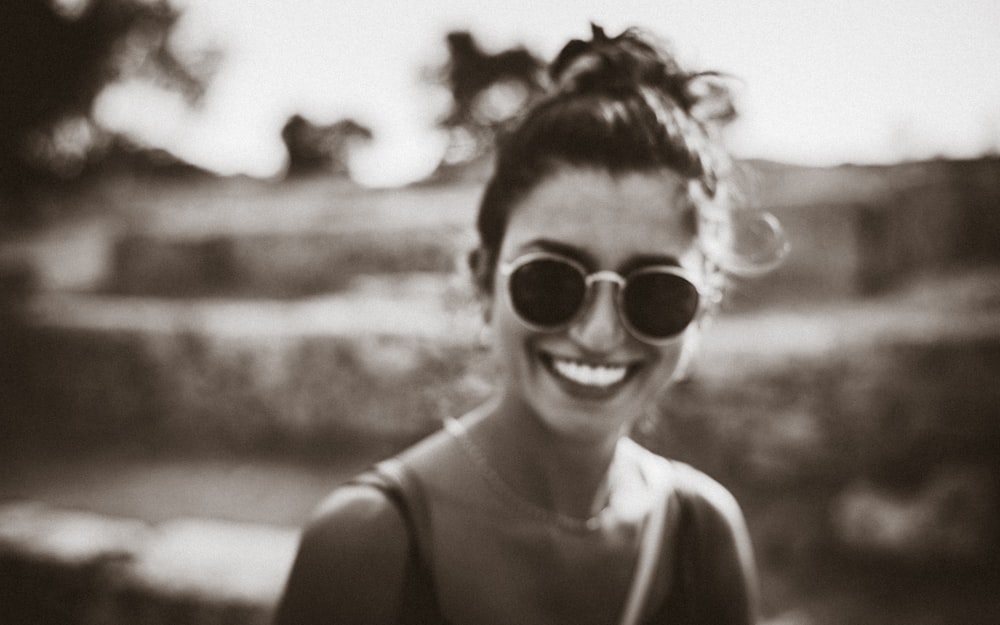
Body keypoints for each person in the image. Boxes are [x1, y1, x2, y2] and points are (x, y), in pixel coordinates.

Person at [275, 23, 767, 625]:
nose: (599, 333)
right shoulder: (366, 546)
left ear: (705, 307)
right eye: (552, 281)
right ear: (484, 282)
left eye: (656, 292)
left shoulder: (702, 536)